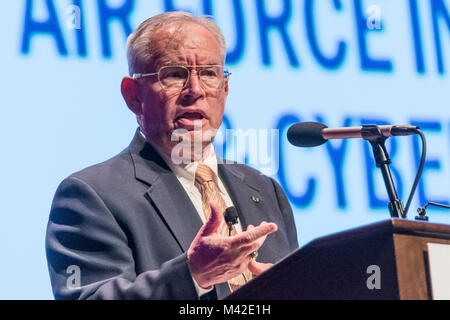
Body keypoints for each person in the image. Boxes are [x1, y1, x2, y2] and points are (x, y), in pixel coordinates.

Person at [45, 11, 298, 300]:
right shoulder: (91, 196)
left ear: (225, 89)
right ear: (133, 95)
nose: (196, 90)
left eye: (209, 74)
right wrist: (192, 275)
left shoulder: (265, 191)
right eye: (175, 74)